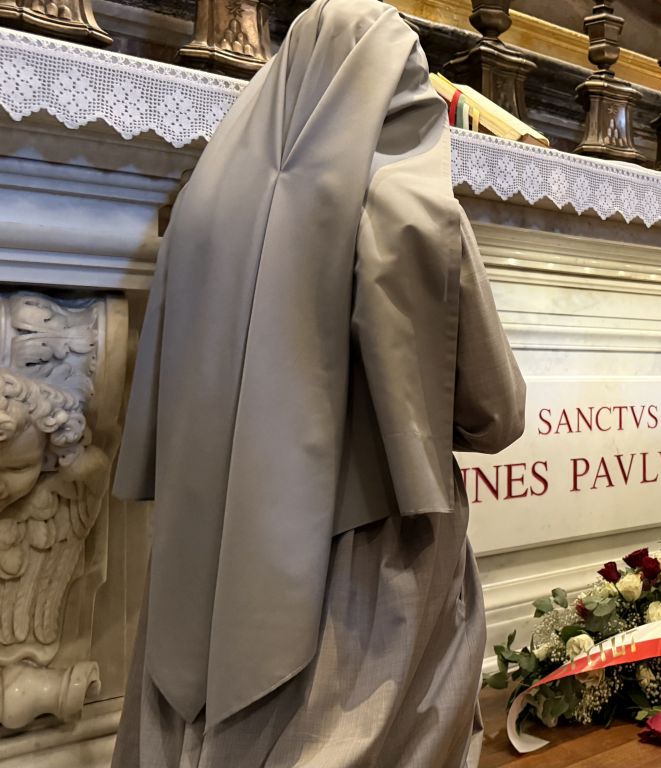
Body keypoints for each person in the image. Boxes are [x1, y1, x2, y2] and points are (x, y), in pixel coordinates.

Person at [110, 0, 526, 765]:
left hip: (208, 530)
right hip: (362, 549)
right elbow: (494, 415)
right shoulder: (409, 213)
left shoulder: (199, 205)